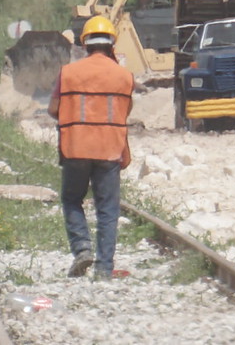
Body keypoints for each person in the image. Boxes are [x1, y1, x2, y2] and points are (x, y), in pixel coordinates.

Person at [47, 15, 134, 279]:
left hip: (75, 147)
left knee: (72, 199)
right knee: (107, 209)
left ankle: (82, 248)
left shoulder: (68, 73)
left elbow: (53, 109)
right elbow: (125, 111)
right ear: (111, 44)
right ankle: (104, 269)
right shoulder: (124, 76)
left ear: (84, 44)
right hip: (109, 150)